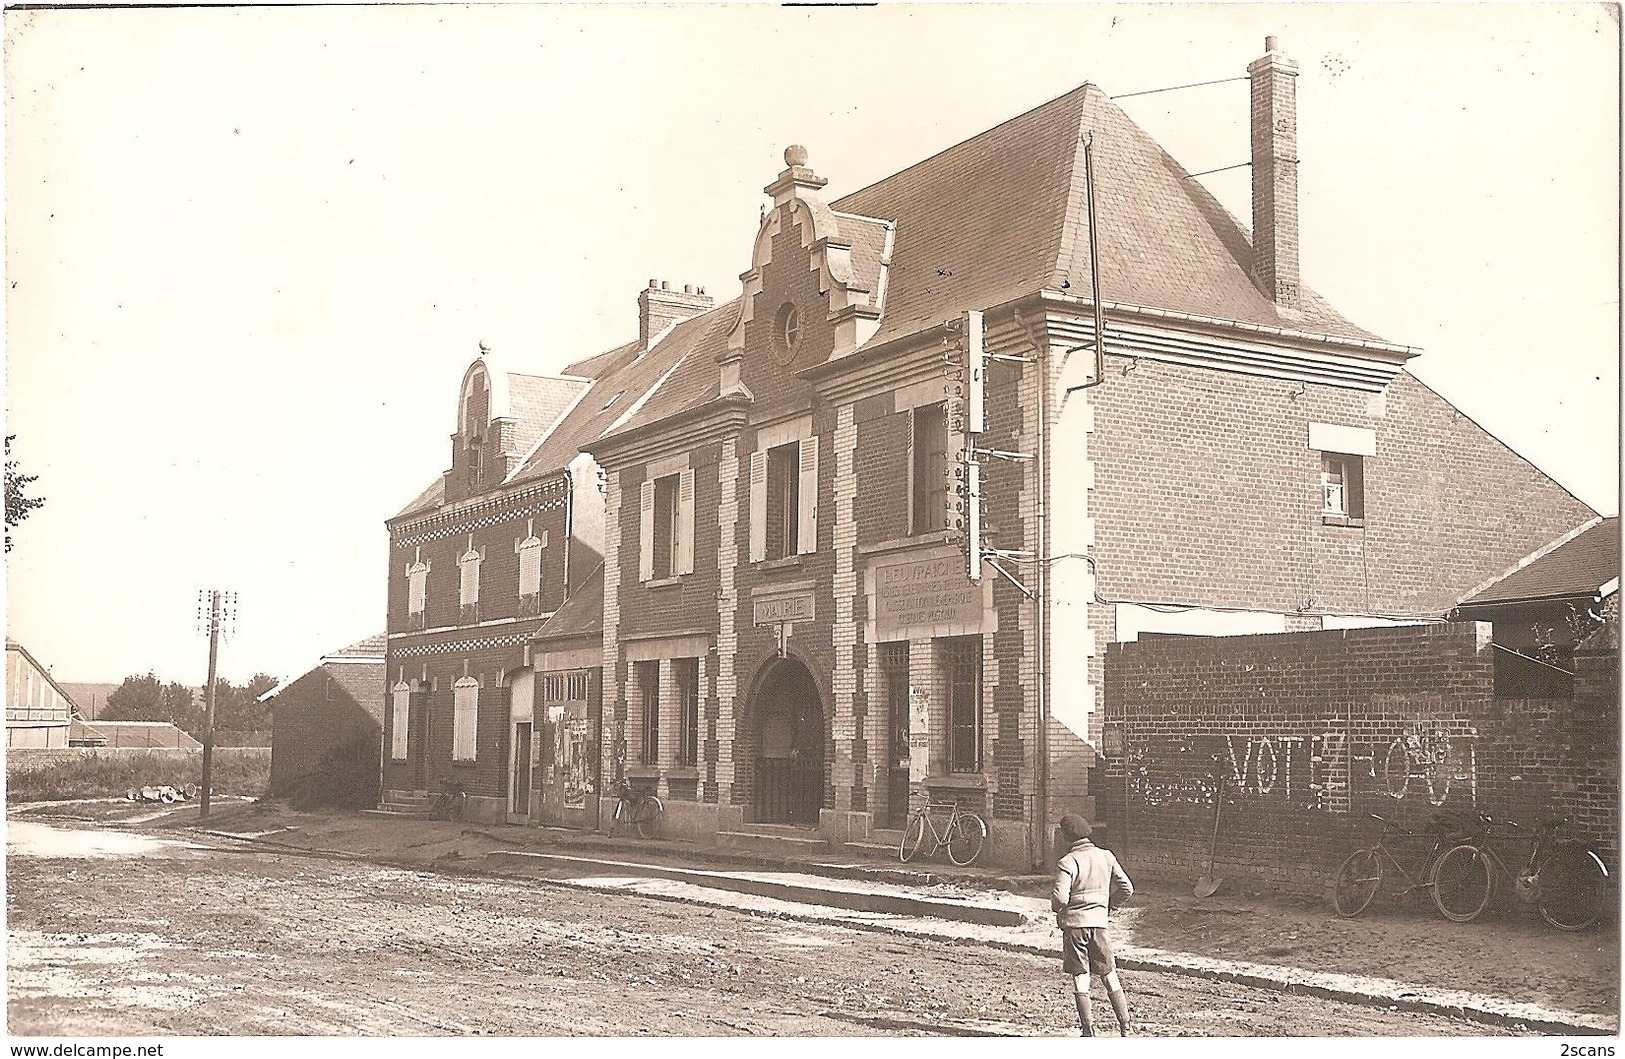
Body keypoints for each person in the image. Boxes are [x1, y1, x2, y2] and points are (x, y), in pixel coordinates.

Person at [1051, 814, 1134, 1036]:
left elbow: (1060, 899)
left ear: (1067, 836)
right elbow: (1127, 888)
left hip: (1075, 928)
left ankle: (1088, 1030)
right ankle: (1125, 1025)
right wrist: (1106, 906)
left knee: (1080, 976)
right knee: (1109, 973)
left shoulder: (1067, 862)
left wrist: (1056, 910)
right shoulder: (1106, 856)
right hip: (1099, 925)